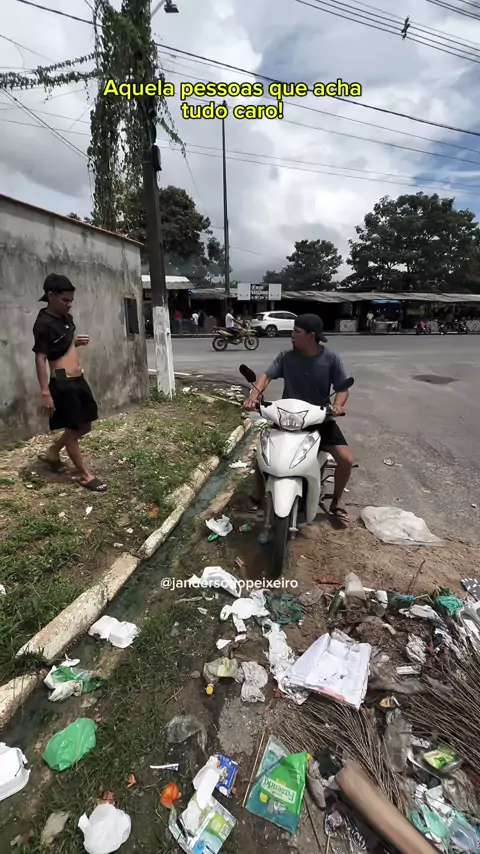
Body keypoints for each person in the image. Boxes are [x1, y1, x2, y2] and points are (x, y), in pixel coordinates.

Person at [243, 314, 353, 525]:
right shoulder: (286, 357)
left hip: (319, 418)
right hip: (287, 418)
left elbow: (343, 388)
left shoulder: (331, 358)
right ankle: (258, 492)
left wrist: (338, 406)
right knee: (263, 451)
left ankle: (337, 499)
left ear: (311, 335)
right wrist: (253, 397)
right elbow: (266, 377)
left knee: (346, 459)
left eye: (296, 331)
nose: (291, 335)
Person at [32, 273, 107, 492]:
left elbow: (61, 347)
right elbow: (41, 358)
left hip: (78, 379)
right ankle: (85, 475)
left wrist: (75, 342)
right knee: (73, 428)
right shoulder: (43, 324)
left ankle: (53, 451)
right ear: (50, 296)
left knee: (85, 425)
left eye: (71, 300)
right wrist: (45, 392)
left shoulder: (67, 319)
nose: (69, 304)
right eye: (65, 300)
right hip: (62, 382)